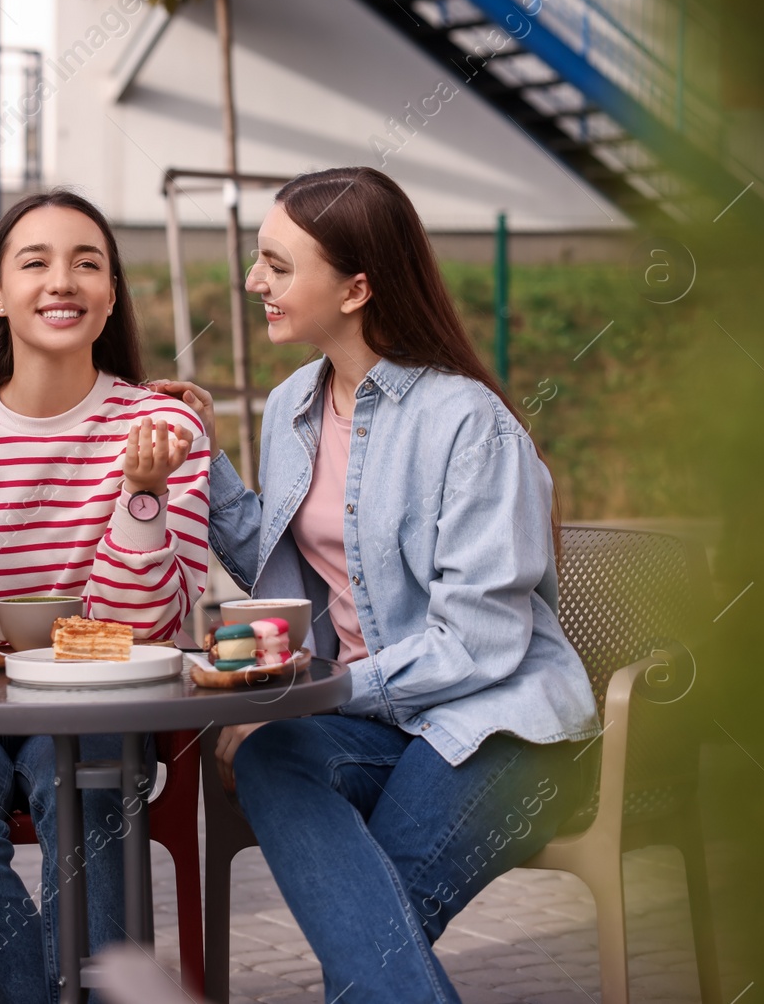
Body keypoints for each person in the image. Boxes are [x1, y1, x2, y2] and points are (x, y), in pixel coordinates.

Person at [152, 167, 600, 1004]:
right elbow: (287, 558)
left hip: (499, 731)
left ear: (356, 287)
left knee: (363, 916)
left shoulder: (468, 424)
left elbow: (481, 644)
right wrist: (203, 458)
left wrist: (316, 688)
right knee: (274, 755)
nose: (254, 282)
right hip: (382, 722)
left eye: (277, 266)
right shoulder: (293, 404)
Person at [0, 190, 211, 1004]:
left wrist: (139, 497)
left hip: (97, 705)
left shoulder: (165, 431)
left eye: (87, 263)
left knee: (89, 776)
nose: (63, 281)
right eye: (36, 262)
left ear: (112, 295)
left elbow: (147, 628)